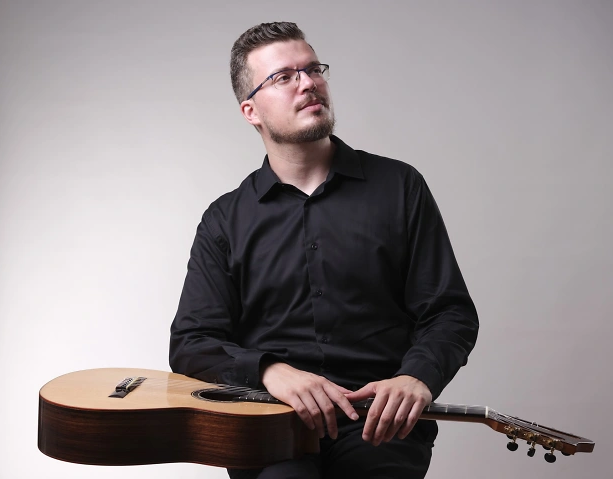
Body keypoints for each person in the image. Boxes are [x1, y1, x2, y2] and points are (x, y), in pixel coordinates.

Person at [169, 21, 479, 479]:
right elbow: (192, 342)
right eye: (284, 76)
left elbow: (449, 312)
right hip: (268, 422)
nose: (308, 83)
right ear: (251, 111)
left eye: (313, 69)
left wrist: (416, 377)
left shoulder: (400, 186)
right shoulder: (224, 219)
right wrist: (270, 371)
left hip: (379, 425)